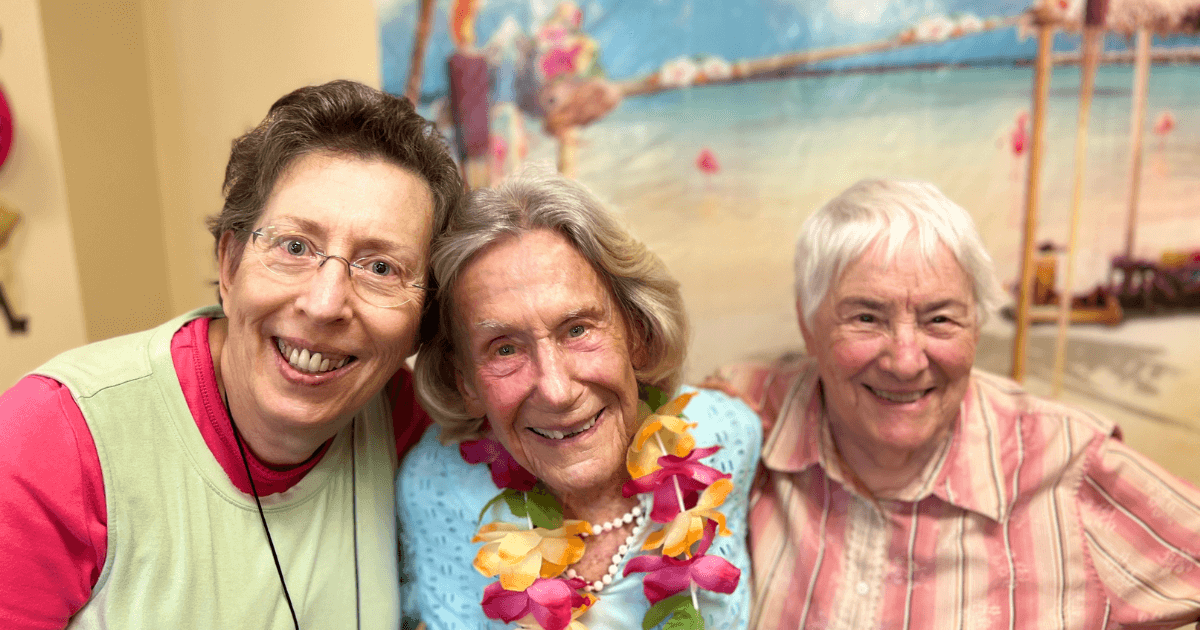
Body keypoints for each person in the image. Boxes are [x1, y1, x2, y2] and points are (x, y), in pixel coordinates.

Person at [0, 80, 463, 628]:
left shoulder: (410, 429)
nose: (323, 304)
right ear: (229, 264)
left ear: (421, 324)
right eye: (294, 247)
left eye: (381, 268)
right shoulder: (52, 440)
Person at [712, 179, 1200, 630]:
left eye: (939, 319)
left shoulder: (1070, 466)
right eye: (866, 317)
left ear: (976, 327)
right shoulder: (743, 423)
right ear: (807, 325)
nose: (905, 361)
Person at [397, 171, 760, 630]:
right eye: (504, 348)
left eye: (577, 330)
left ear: (639, 334)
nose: (556, 390)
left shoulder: (725, 435)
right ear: (464, 381)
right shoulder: (437, 486)